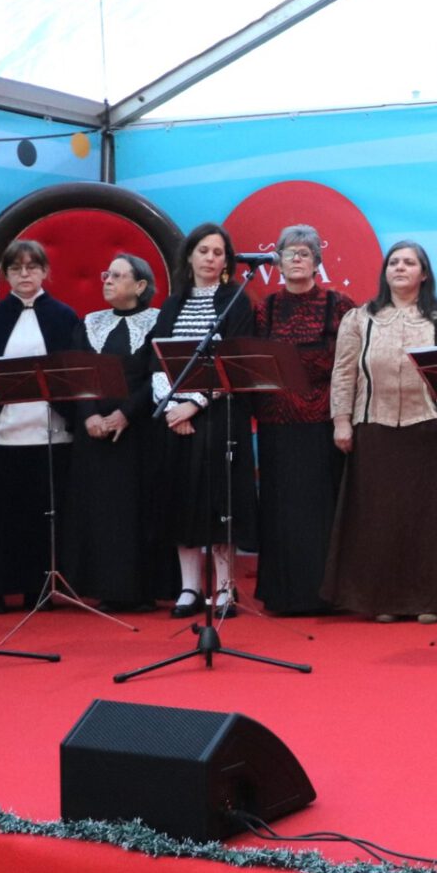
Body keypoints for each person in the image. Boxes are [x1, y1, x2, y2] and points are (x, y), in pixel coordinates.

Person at [323, 241, 437, 622]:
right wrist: (341, 420)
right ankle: (383, 600)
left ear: (423, 273)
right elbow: (343, 372)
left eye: (409, 263)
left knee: (430, 519)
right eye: (393, 262)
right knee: (379, 519)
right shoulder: (360, 319)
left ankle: (431, 600)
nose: (399, 268)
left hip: (433, 427)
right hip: (373, 427)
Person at [0, 239, 82, 614]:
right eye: (16, 268)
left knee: (40, 519)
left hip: (49, 433)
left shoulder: (63, 316)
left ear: (44, 272)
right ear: (6, 274)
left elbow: (72, 374)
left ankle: (37, 589)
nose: (24, 274)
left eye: (32, 267)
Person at [148, 223, 258, 619]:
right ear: (190, 256)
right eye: (204, 251)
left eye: (218, 252)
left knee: (219, 502)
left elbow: (235, 363)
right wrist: (171, 405)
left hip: (218, 417)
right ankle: (189, 588)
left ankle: (226, 589)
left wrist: (193, 404)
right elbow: (157, 357)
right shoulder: (172, 303)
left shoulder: (236, 301)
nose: (211, 259)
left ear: (227, 261)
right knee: (181, 500)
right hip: (175, 418)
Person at [253, 225, 354, 614]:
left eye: (304, 253)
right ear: (276, 261)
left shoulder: (340, 304)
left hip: (322, 420)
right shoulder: (265, 308)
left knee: (320, 509)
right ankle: (283, 594)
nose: (296, 259)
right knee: (280, 508)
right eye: (289, 253)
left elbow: (348, 364)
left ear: (317, 262)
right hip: (277, 423)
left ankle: (326, 594)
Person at [61, 253, 169, 611]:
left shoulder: (158, 322)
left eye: (118, 276)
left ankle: (140, 590)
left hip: (139, 434)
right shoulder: (89, 323)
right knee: (101, 511)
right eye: (107, 274)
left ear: (140, 286)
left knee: (137, 510)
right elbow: (76, 374)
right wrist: (90, 415)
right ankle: (104, 588)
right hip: (93, 434)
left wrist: (125, 415)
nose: (107, 280)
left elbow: (157, 375)